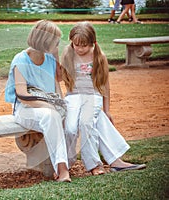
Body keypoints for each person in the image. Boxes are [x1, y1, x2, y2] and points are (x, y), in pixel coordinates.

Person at [61, 21, 146, 175]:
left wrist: (107, 110)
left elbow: (105, 85)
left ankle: (94, 165)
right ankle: (65, 163)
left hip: (92, 95)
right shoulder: (68, 53)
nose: (79, 49)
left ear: (93, 43)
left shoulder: (99, 57)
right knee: (70, 128)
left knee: (86, 123)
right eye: (76, 44)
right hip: (73, 96)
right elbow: (59, 77)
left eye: (84, 45)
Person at [5, 20, 71, 182]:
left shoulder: (49, 58)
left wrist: (55, 56)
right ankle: (62, 169)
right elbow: (22, 95)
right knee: (51, 116)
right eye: (55, 43)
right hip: (25, 109)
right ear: (44, 42)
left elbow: (59, 79)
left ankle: (93, 160)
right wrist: (49, 106)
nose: (58, 45)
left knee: (74, 114)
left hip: (48, 107)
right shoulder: (20, 60)